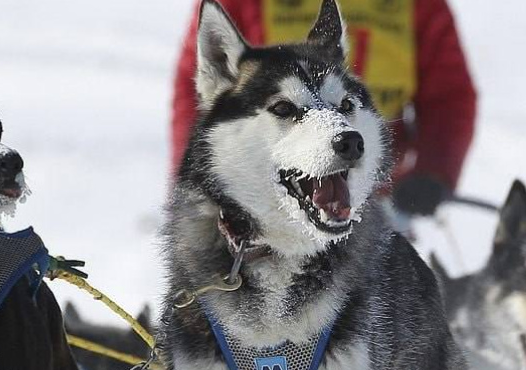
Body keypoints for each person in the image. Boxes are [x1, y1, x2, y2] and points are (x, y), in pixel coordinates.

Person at [170, 0, 477, 219]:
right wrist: (192, 182)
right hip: (264, 202)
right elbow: (204, 99)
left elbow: (448, 97)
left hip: (377, 195)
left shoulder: (422, 5)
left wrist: (434, 171)